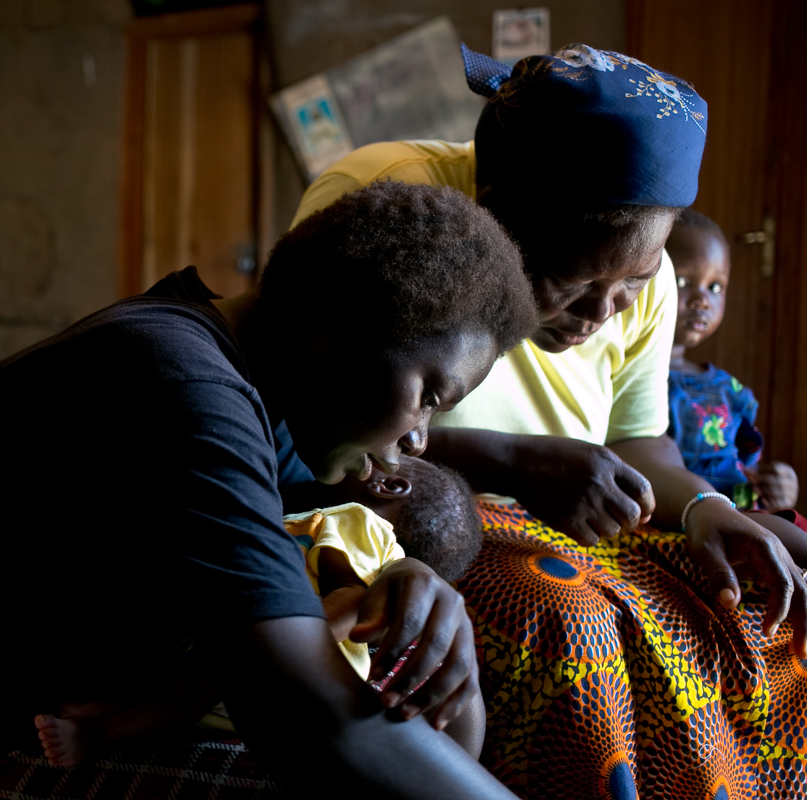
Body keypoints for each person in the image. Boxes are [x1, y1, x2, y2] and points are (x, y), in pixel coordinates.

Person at [0, 182, 538, 799]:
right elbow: (311, 728)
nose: (420, 437)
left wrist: (407, 572)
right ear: (337, 329)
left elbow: (343, 543)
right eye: (430, 394)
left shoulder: (248, 392)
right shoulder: (178, 385)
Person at [291, 43, 807, 797]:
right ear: (494, 208)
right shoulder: (396, 205)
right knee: (564, 623)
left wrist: (705, 508)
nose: (602, 313)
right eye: (572, 282)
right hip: (419, 521)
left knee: (767, 601)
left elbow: (637, 442)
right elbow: (316, 426)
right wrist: (519, 462)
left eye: (632, 284)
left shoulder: (648, 271)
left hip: (573, 525)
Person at [33, 458, 485, 769]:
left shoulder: (363, 524)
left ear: (388, 485)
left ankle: (98, 734)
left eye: (385, 458)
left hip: (272, 659)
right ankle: (115, 711)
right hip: (261, 702)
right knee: (180, 693)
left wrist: (279, 646)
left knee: (189, 688)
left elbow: (351, 598)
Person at [666, 208, 799, 510]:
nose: (702, 300)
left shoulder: (730, 391)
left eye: (715, 287)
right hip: (671, 514)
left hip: (735, 514)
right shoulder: (626, 376)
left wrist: (780, 488)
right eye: (682, 281)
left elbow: (749, 471)